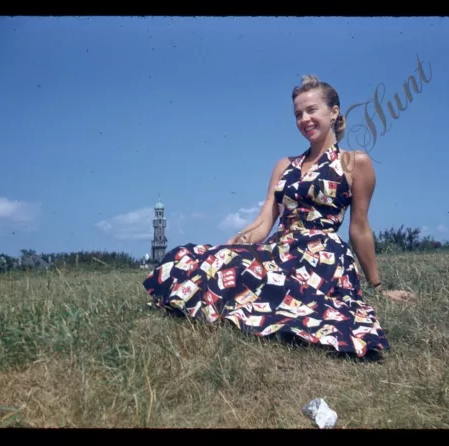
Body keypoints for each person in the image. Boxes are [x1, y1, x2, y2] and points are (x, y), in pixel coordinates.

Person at [142, 74, 416, 359]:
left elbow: (359, 228)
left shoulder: (356, 162)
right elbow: (264, 222)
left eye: (312, 110)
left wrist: (378, 287)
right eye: (298, 114)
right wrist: (232, 246)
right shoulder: (285, 165)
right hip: (280, 248)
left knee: (292, 294)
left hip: (322, 256)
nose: (304, 119)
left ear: (334, 112)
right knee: (192, 257)